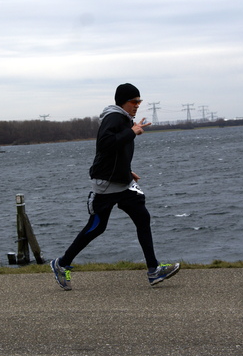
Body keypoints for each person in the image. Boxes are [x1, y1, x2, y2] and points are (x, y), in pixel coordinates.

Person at [50, 83, 180, 290]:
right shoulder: (114, 118)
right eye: (134, 101)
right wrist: (133, 132)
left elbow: (117, 152)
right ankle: (61, 263)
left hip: (121, 182)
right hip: (106, 184)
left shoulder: (124, 119)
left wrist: (127, 171)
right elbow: (104, 144)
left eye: (139, 101)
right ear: (123, 102)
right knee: (97, 227)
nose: (137, 105)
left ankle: (153, 270)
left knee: (142, 217)